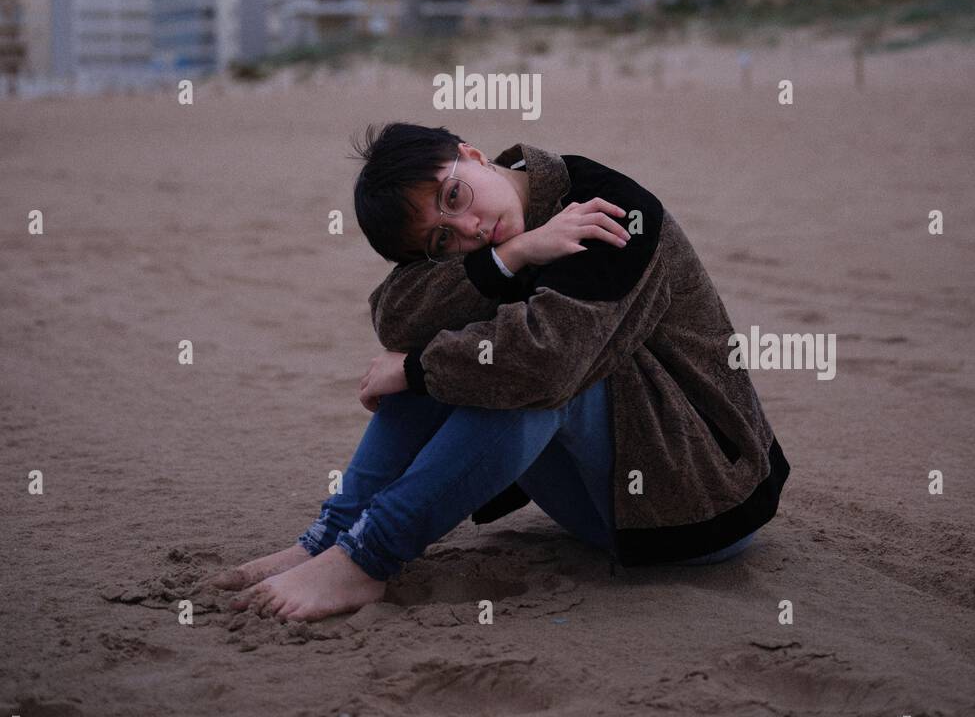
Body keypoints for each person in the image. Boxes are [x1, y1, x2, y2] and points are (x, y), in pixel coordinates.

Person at [209, 122, 789, 622]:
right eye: (442, 239)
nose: (467, 230)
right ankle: (331, 537)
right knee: (464, 350)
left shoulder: (613, 210)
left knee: (528, 374)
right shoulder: (498, 238)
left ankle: (367, 558)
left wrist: (415, 370)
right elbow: (397, 316)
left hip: (699, 502)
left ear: (472, 154)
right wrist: (510, 257)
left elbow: (544, 364)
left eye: (456, 197)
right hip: (600, 512)